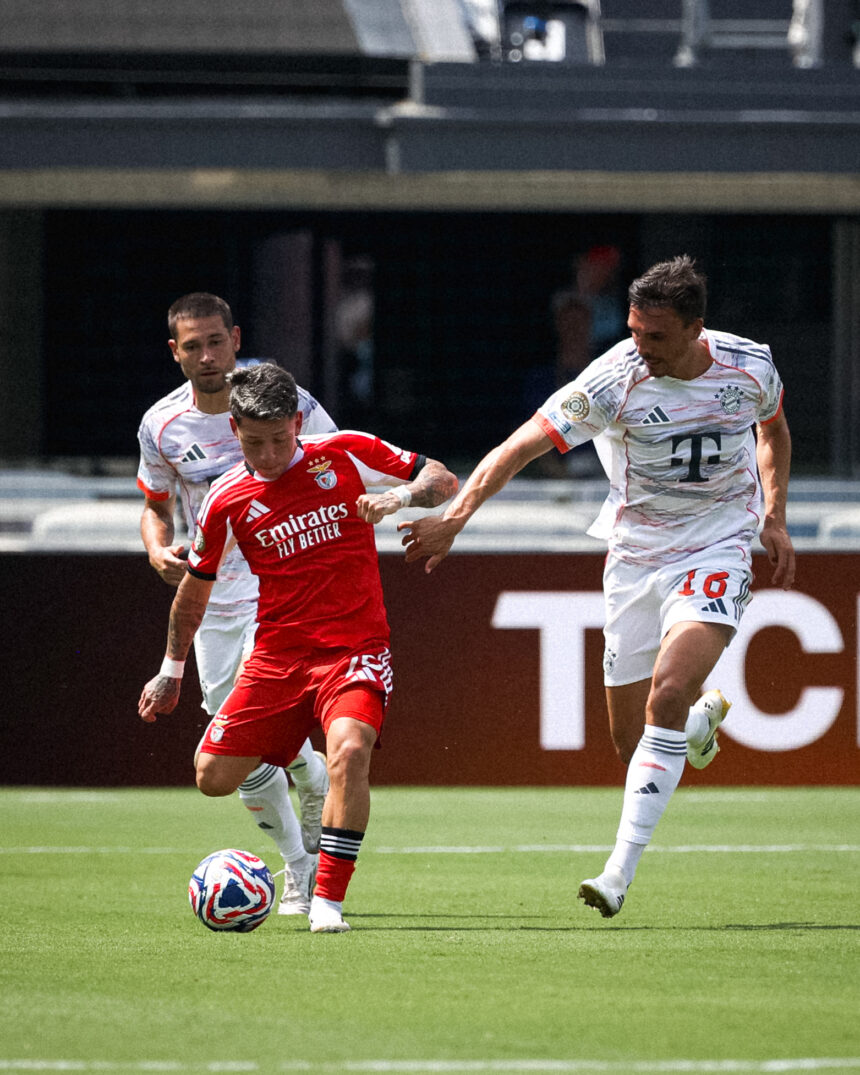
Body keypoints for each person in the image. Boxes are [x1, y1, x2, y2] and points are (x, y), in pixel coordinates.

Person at [398, 255, 795, 918]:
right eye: (634, 331)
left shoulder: (749, 365)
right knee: (629, 740)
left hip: (719, 542)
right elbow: (522, 444)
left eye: (656, 337)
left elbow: (773, 429)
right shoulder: (614, 378)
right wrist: (455, 517)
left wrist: (773, 516)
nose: (640, 348)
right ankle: (699, 722)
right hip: (635, 555)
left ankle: (617, 872)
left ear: (698, 329)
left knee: (666, 693)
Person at [138, 361, 459, 933]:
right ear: (234, 431)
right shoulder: (225, 498)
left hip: (354, 647)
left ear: (297, 423)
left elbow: (442, 478)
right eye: (254, 443)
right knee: (211, 777)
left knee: (351, 751)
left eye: (280, 440)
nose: (267, 455)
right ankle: (303, 787)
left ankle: (326, 902)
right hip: (278, 658)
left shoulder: (343, 452)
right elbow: (194, 589)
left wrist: (401, 497)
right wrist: (171, 669)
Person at [136, 293, 334, 916]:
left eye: (215, 341)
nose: (207, 355)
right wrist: (156, 549)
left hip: (283, 586)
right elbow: (154, 505)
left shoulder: (284, 401)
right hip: (215, 596)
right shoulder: (161, 425)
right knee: (236, 736)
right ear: (175, 353)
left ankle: (302, 873)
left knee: (252, 729)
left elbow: (333, 466)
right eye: (192, 345)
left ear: (236, 338)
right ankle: (306, 807)